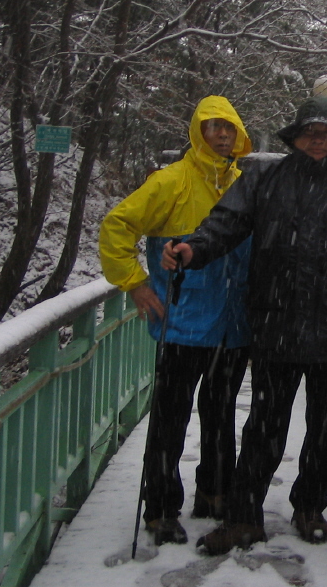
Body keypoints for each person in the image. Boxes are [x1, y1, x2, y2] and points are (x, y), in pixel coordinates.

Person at [160, 96, 327, 553]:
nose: (318, 140)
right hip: (276, 325)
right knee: (264, 426)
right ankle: (244, 517)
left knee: (326, 429)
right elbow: (225, 223)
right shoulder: (265, 179)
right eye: (310, 132)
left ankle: (310, 507)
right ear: (295, 136)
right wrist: (194, 248)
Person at [99, 96, 253, 546]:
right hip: (182, 322)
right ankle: (161, 507)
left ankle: (215, 491)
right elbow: (116, 225)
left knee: (221, 413)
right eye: (213, 126)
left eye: (229, 127)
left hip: (232, 326)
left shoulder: (243, 185)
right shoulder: (171, 182)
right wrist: (135, 283)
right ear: (197, 132)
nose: (222, 134)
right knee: (170, 418)